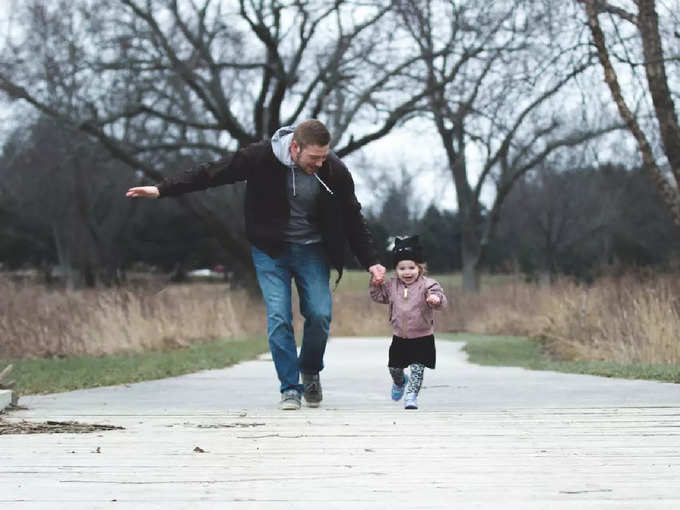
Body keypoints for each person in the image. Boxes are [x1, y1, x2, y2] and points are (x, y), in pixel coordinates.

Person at [126, 119, 386, 410]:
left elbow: (352, 217)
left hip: (312, 250)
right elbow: (213, 173)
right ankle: (290, 388)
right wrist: (162, 189)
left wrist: (371, 262)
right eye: (314, 158)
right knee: (278, 317)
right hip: (270, 250)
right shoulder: (260, 157)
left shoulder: (334, 170)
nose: (319, 163)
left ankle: (310, 370)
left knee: (320, 314)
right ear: (295, 147)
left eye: (324, 156)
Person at [369, 235, 447, 409]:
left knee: (418, 370)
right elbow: (378, 296)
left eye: (411, 267)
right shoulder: (391, 286)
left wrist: (436, 299)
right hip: (400, 337)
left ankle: (411, 396)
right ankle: (400, 382)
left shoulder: (428, 285)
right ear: (396, 269)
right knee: (394, 369)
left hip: (422, 337)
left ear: (419, 267)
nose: (407, 272)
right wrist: (375, 283)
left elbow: (441, 299)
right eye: (402, 268)